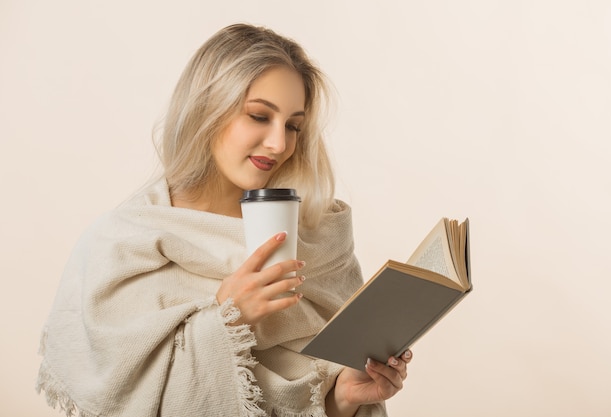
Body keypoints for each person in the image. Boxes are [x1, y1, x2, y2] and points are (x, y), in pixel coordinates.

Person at [36, 23, 412, 417]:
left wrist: (342, 399)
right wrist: (227, 318)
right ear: (206, 109)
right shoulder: (123, 243)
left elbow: (296, 404)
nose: (278, 143)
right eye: (258, 116)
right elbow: (124, 397)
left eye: (293, 126)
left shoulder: (319, 240)